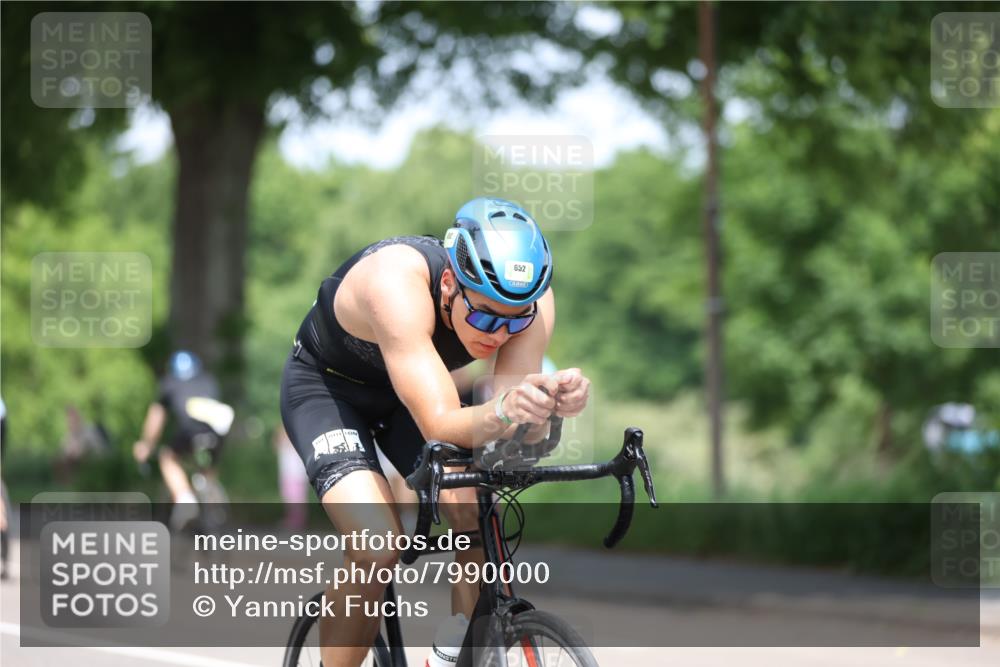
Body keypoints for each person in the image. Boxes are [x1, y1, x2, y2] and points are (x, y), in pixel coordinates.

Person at [280, 197, 591, 667]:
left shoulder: (530, 305)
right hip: (329, 393)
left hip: (415, 392)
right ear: (449, 283)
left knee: (475, 513)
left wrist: (548, 408)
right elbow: (444, 423)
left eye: (515, 320)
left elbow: (512, 439)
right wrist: (506, 409)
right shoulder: (394, 283)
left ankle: (452, 658)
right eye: (486, 315)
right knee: (377, 543)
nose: (500, 334)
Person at [133, 351, 234, 527]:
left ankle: (184, 498)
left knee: (168, 457)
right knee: (207, 466)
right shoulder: (208, 380)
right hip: (217, 432)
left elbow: (156, 418)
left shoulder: (169, 383)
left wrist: (146, 444)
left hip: (190, 431)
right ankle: (212, 503)